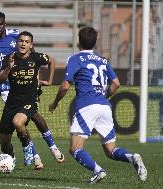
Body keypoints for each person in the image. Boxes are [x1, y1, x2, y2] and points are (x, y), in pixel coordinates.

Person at [49, 26, 147, 183]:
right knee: (111, 150)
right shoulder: (102, 60)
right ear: (95, 43)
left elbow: (65, 86)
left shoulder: (75, 59)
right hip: (104, 106)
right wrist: (103, 95)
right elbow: (116, 83)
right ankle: (132, 157)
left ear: (78, 41)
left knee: (75, 149)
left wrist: (54, 103)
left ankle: (97, 170)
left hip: (86, 106)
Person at [0, 12, 64, 169]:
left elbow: (34, 58)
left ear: (5, 23)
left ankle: (39, 154)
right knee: (15, 127)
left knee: (27, 117)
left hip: (28, 87)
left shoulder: (16, 36)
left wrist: (36, 77)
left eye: (1, 23)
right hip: (6, 86)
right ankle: (30, 155)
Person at [0, 31, 57, 169]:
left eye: (27, 42)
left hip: (29, 100)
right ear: (17, 42)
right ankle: (10, 161)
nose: (23, 43)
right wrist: (8, 68)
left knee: (18, 122)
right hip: (12, 102)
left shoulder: (37, 57)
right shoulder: (9, 58)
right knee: (4, 142)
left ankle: (27, 148)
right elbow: (0, 79)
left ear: (31, 45)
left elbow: (52, 61)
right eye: (21, 41)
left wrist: (50, 80)